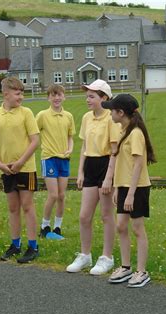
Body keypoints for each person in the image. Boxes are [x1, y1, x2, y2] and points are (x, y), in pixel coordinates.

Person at [66, 79, 120, 275]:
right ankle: (85, 254)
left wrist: (108, 178)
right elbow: (84, 148)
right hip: (90, 165)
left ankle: (107, 257)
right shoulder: (87, 118)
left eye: (92, 96)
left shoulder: (111, 118)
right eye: (87, 95)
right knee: (84, 215)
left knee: (106, 215)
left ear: (104, 98)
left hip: (106, 166)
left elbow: (115, 151)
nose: (87, 99)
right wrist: (80, 172)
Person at [0, 77, 40, 263]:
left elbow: (35, 141)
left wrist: (20, 162)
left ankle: (33, 247)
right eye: (18, 93)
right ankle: (15, 244)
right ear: (6, 94)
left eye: (22, 93)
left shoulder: (26, 113)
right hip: (6, 168)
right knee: (13, 207)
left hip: (25, 168)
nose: (21, 97)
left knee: (27, 206)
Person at [104, 94, 156, 288]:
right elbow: (121, 164)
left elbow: (138, 165)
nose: (110, 113)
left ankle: (142, 271)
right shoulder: (123, 130)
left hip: (138, 187)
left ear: (121, 112)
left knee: (137, 228)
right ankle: (126, 266)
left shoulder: (135, 134)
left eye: (112, 110)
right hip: (125, 186)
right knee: (121, 226)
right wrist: (118, 188)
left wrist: (132, 193)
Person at [36, 84, 75, 238]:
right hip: (49, 158)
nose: (57, 98)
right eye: (53, 95)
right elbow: (33, 133)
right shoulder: (42, 115)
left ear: (64, 97)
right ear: (48, 98)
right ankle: (44, 227)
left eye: (59, 95)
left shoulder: (68, 116)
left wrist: (70, 149)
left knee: (61, 195)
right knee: (53, 195)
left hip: (64, 159)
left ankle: (57, 227)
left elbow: (70, 137)